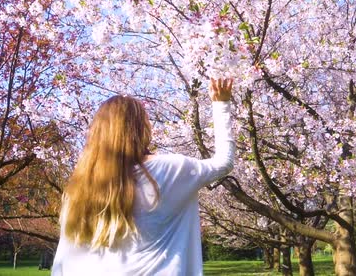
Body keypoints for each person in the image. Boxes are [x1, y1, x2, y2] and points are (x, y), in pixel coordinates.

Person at [51, 78, 235, 276]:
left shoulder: (82, 186)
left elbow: (66, 255)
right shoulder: (171, 169)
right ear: (141, 128)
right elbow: (223, 162)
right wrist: (221, 103)